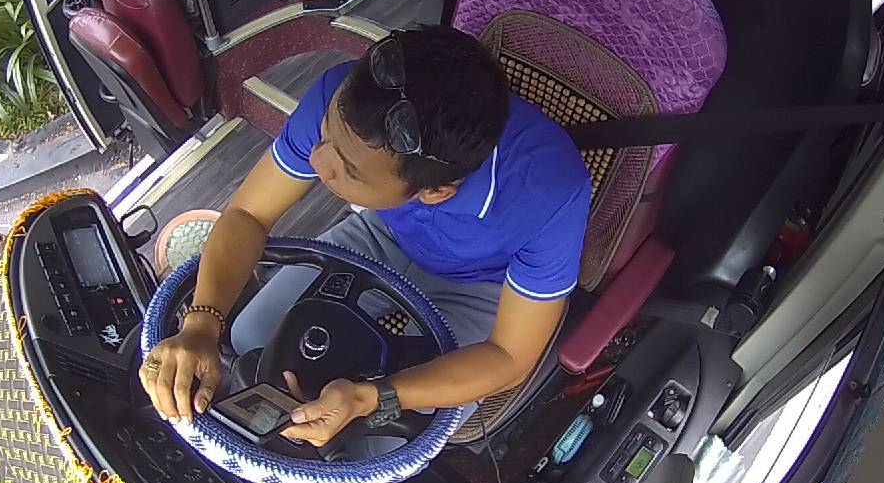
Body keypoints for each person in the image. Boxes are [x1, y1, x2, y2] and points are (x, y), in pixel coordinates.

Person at [139, 25, 591, 448]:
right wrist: (201, 323)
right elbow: (248, 213)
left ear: (435, 192)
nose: (317, 162)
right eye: (326, 136)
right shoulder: (343, 97)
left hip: (485, 287)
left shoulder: (548, 195)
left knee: (374, 442)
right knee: (251, 334)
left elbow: (508, 357)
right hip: (382, 231)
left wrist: (373, 397)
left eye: (350, 172)